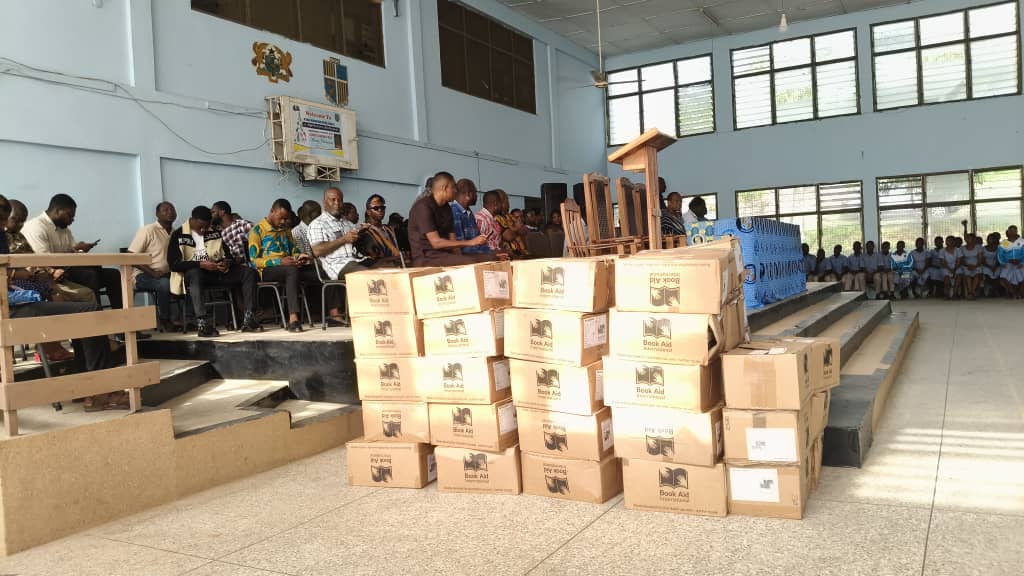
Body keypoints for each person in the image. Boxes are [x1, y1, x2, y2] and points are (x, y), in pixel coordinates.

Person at [0, 195, 126, 410]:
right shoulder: (21, 231)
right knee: (88, 311)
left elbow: (15, 270)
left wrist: (27, 274)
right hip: (8, 308)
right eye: (3, 220)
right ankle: (100, 391)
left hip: (18, 297)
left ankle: (87, 387)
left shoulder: (4, 236)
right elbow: (11, 273)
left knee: (87, 307)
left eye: (4, 220)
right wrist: (22, 274)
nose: (5, 226)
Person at [168, 206, 261, 337]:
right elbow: (174, 265)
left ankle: (249, 318)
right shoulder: (178, 234)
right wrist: (200, 264)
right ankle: (202, 323)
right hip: (194, 275)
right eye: (200, 227)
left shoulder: (215, 233)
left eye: (206, 227)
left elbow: (229, 256)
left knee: (248, 272)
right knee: (196, 273)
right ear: (192, 220)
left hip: (217, 272)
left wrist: (226, 262)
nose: (203, 230)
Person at [22, 193, 123, 310]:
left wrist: (80, 249)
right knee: (90, 275)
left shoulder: (65, 230)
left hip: (67, 270)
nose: (72, 220)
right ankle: (98, 315)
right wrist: (71, 254)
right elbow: (43, 259)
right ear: (58, 210)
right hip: (50, 273)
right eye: (70, 215)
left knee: (113, 274)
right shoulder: (36, 227)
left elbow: (73, 251)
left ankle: (122, 316)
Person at [250, 199, 334, 333]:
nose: (283, 222)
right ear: (272, 211)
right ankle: (293, 318)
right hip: (267, 270)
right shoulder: (257, 230)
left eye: (286, 219)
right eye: (281, 218)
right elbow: (254, 261)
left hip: (289, 266)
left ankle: (335, 314)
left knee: (325, 269)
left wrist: (299, 257)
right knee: (291, 270)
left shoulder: (286, 231)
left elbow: (294, 250)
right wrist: (279, 262)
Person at [408, 171, 492, 266]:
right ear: (444, 188)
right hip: (426, 257)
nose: (456, 191)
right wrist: (471, 242)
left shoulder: (447, 208)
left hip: (445, 255)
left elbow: (453, 242)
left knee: (488, 258)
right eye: (453, 187)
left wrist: (460, 257)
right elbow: (436, 243)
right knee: (470, 262)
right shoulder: (423, 206)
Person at [129, 201, 177, 331]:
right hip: (143, 275)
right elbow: (131, 256)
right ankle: (165, 320)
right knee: (164, 284)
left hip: (166, 274)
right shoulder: (148, 230)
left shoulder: (175, 233)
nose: (170, 212)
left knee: (188, 279)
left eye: (172, 209)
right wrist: (152, 273)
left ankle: (189, 319)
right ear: (157, 214)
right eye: (165, 210)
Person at [358, 194, 402, 266]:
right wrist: (395, 258)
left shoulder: (389, 229)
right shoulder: (363, 231)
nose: (380, 210)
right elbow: (370, 261)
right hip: (378, 270)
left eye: (382, 207)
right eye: (376, 208)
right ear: (368, 212)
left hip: (396, 267)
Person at [451, 179, 492, 256]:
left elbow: (477, 240)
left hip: (477, 254)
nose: (476, 196)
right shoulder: (454, 213)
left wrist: (492, 252)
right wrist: (488, 255)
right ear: (468, 195)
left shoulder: (469, 212)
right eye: (475, 193)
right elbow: (460, 247)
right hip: (469, 258)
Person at [212, 201, 254, 266]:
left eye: (213, 212)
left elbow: (261, 236)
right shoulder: (221, 233)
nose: (211, 215)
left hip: (251, 267)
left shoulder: (241, 225)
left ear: (222, 212)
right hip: (234, 268)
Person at [494, 189, 528, 258]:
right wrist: (516, 229)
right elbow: (508, 236)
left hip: (522, 253)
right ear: (500, 202)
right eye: (506, 200)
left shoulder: (509, 216)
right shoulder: (496, 218)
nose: (508, 203)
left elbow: (524, 230)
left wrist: (514, 230)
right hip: (509, 256)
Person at [998, 225, 1024, 299]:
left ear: (1017, 231)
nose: (1012, 232)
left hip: (1020, 263)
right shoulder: (1004, 243)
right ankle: (1013, 293)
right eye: (1011, 231)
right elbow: (1000, 255)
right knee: (1003, 277)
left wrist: (1022, 263)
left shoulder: (1022, 242)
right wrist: (1003, 263)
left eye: (1014, 230)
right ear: (1008, 232)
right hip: (1008, 263)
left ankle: (1020, 292)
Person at [958, 233, 983, 300]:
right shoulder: (962, 248)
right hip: (966, 265)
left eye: (969, 238)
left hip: (977, 265)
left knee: (976, 276)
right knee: (968, 276)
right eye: (966, 238)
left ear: (974, 239)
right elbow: (961, 260)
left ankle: (972, 292)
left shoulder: (978, 247)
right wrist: (967, 265)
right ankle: (970, 292)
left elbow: (980, 259)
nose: (967, 239)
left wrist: (975, 266)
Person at [937, 235, 960, 300]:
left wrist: (954, 269)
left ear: (954, 242)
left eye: (951, 241)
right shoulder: (942, 250)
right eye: (947, 240)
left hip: (956, 267)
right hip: (945, 267)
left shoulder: (958, 250)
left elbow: (959, 261)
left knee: (958, 277)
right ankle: (947, 294)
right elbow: (942, 262)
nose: (949, 242)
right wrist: (950, 269)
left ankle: (955, 294)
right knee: (946, 278)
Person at [982, 232, 1002, 297]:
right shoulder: (984, 248)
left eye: (993, 239)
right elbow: (982, 260)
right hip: (986, 265)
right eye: (990, 239)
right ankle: (990, 289)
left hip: (996, 265)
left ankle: (995, 290)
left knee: (998, 273)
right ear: (987, 240)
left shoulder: (998, 248)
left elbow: (999, 259)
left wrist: (995, 266)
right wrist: (989, 267)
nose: (991, 240)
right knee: (987, 273)